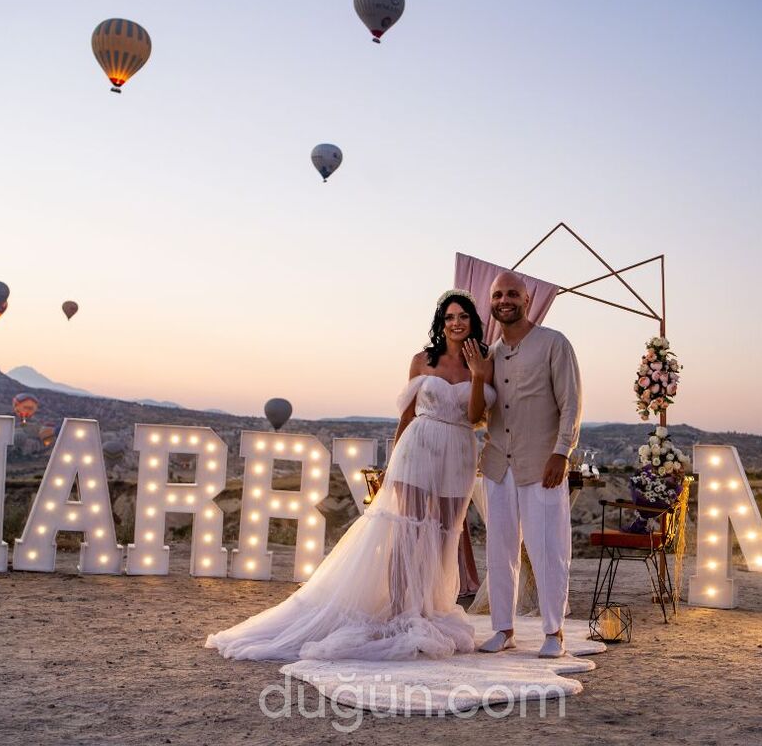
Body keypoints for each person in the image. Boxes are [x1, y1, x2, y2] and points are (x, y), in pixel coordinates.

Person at [204, 289, 494, 661]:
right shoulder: (422, 360)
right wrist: (392, 463)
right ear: (441, 323)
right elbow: (406, 416)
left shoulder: (483, 362)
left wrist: (478, 374)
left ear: (472, 322)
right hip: (418, 448)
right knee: (406, 530)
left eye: (463, 317)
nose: (456, 323)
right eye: (449, 317)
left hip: (459, 452)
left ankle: (431, 609)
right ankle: (402, 611)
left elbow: (475, 420)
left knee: (444, 534)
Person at [469, 271, 582, 659]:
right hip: (498, 464)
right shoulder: (490, 355)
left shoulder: (554, 344)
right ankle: (504, 628)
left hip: (542, 463)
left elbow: (571, 403)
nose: (504, 300)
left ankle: (555, 631)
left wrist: (562, 452)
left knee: (548, 548)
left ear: (527, 298)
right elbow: (481, 414)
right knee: (500, 550)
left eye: (512, 293)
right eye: (498, 294)